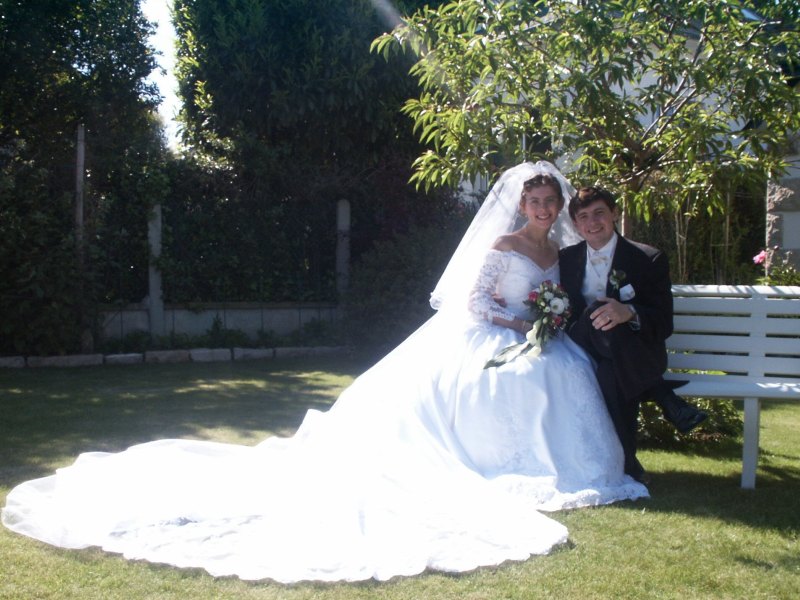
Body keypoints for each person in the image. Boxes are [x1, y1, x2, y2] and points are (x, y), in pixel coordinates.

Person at [2, 163, 647, 584]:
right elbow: (475, 303)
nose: (539, 208)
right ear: (520, 206)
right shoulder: (503, 246)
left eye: (547, 200)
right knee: (506, 381)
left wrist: (551, 321)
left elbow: (570, 293)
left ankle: (571, 471)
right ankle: (493, 465)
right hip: (490, 334)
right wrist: (519, 327)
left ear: (558, 206)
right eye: (533, 200)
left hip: (543, 336)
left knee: (560, 376)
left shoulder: (559, 251)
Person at [558, 186, 708, 483]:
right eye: (583, 217)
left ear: (614, 213)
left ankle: (627, 463)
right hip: (582, 346)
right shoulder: (565, 259)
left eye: (599, 212)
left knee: (611, 374)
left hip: (626, 352)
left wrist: (630, 313)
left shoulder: (648, 258)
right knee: (594, 313)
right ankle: (664, 395)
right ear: (576, 225)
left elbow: (663, 323)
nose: (592, 222)